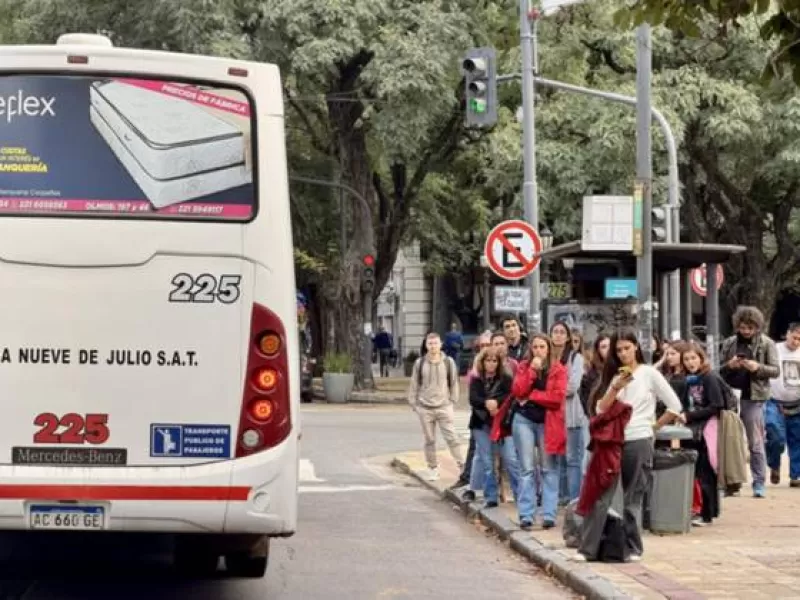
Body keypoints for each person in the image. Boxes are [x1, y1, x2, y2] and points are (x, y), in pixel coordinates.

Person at [577, 327, 682, 562]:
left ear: (636, 347)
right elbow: (600, 409)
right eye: (619, 350)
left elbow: (674, 405)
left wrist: (652, 427)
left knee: (633, 496)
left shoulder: (649, 373)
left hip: (639, 439)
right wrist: (615, 387)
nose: (624, 353)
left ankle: (634, 547)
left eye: (627, 348)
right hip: (612, 442)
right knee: (601, 494)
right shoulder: (614, 377)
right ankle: (588, 548)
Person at [719, 306, 779, 498]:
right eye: (743, 327)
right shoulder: (729, 343)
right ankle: (731, 482)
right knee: (729, 440)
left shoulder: (767, 343)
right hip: (730, 397)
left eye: (750, 328)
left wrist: (757, 367)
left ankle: (759, 482)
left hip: (754, 397)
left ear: (757, 327)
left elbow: (775, 370)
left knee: (755, 442)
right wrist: (730, 365)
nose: (746, 331)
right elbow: (717, 370)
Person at [509, 334, 567, 530]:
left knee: (548, 468)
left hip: (547, 422)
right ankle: (526, 514)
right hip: (524, 420)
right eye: (535, 347)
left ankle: (549, 514)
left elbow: (556, 398)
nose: (539, 350)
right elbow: (518, 390)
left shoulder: (558, 369)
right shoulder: (525, 366)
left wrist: (532, 395)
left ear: (549, 349)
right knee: (526, 468)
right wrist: (532, 371)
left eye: (542, 346)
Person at [464, 347, 518, 507]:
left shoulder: (505, 379)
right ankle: (491, 496)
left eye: (494, 361)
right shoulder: (476, 379)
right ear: (482, 361)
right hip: (481, 424)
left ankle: (519, 493)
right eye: (488, 360)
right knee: (487, 461)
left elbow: (510, 397)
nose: (491, 364)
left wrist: (497, 404)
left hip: (501, 425)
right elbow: (473, 399)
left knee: (511, 459)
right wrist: (487, 404)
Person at [407, 332, 464, 481]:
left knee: (452, 437)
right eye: (430, 343)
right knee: (430, 440)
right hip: (425, 407)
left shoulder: (448, 362)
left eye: (435, 343)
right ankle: (432, 468)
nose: (433, 346)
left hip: (444, 406)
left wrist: (453, 400)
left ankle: (462, 465)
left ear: (441, 344)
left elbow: (453, 382)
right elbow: (414, 383)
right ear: (426, 345)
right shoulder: (420, 363)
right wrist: (414, 403)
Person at [680, 342, 725, 526]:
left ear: (701, 358)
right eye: (687, 359)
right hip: (694, 428)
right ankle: (703, 510)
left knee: (706, 471)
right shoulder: (690, 379)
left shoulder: (709, 377)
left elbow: (716, 405)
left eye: (693, 358)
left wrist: (689, 416)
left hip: (707, 429)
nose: (690, 363)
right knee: (699, 471)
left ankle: (707, 513)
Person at [550, 320, 586, 503]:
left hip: (571, 415)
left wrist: (553, 392)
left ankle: (574, 497)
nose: (558, 335)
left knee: (573, 458)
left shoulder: (575, 358)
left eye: (562, 332)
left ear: (568, 337)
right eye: (555, 331)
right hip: (553, 416)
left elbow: (573, 386)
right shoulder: (548, 358)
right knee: (559, 458)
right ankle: (561, 496)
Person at [766, 322, 800, 488]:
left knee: (797, 440)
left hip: (798, 403)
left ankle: (796, 475)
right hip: (774, 401)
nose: (796, 342)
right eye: (794, 338)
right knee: (775, 436)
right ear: (787, 334)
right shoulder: (774, 349)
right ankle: (774, 464)